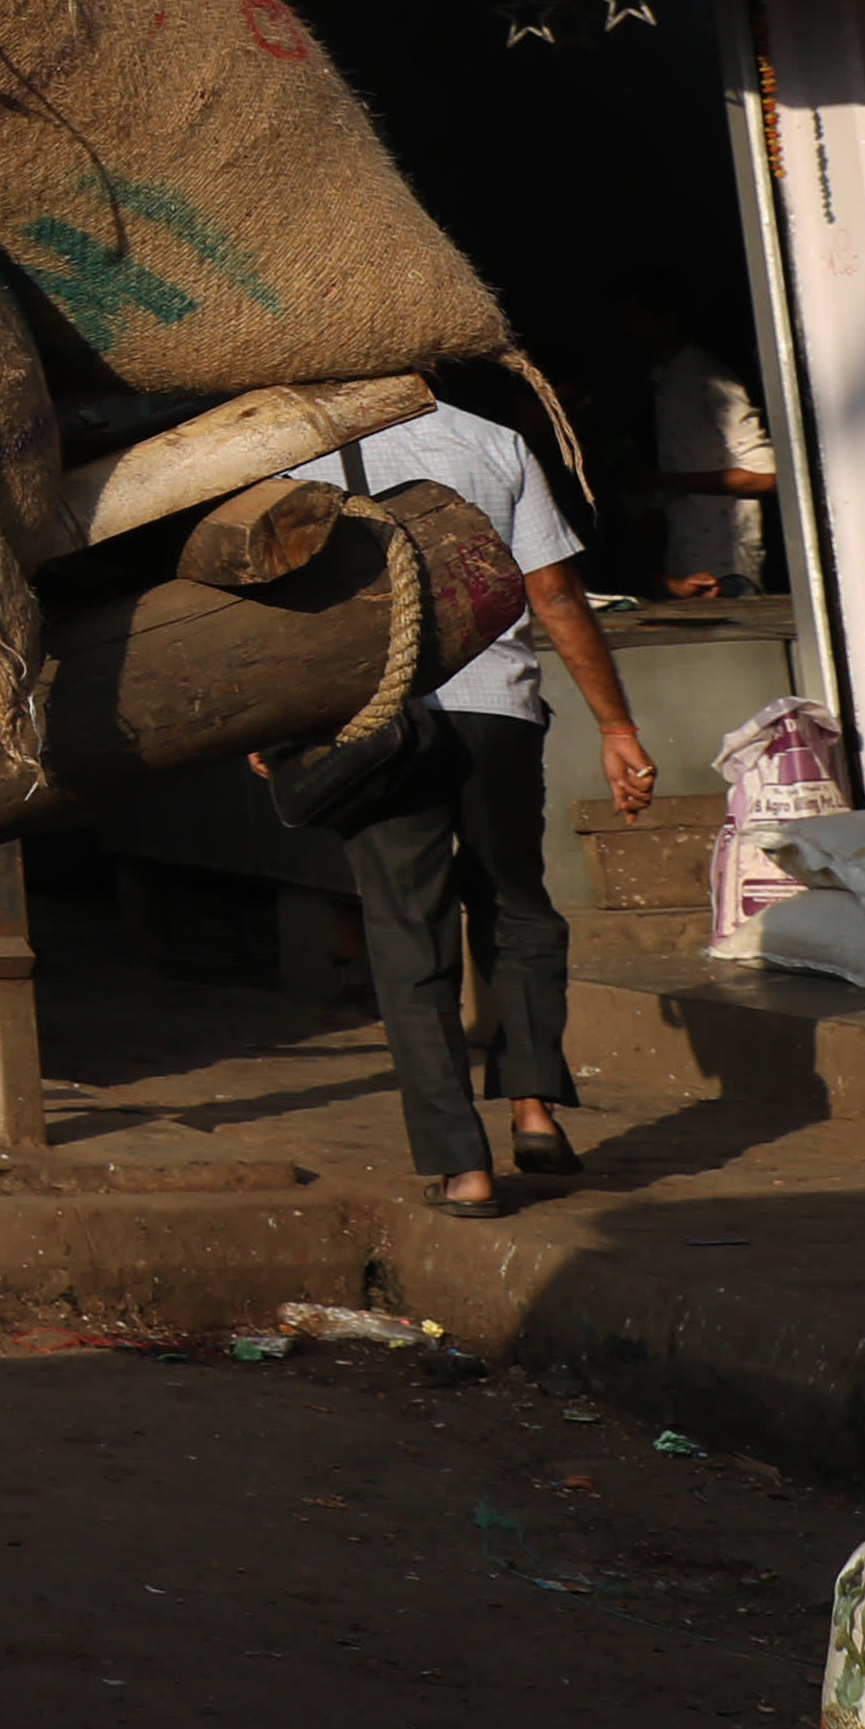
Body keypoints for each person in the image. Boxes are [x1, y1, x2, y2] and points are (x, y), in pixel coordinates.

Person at [290, 393, 654, 1217]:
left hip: (374, 721)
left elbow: (285, 604)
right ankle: (534, 1111)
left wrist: (274, 716)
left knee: (408, 936)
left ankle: (466, 1167)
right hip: (499, 712)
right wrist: (616, 724)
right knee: (517, 908)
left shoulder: (293, 453)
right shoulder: (490, 441)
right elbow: (554, 592)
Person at [645, 319, 775, 598]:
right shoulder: (665, 379)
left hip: (726, 566)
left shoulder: (708, 378)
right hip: (685, 559)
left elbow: (764, 477)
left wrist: (661, 481)